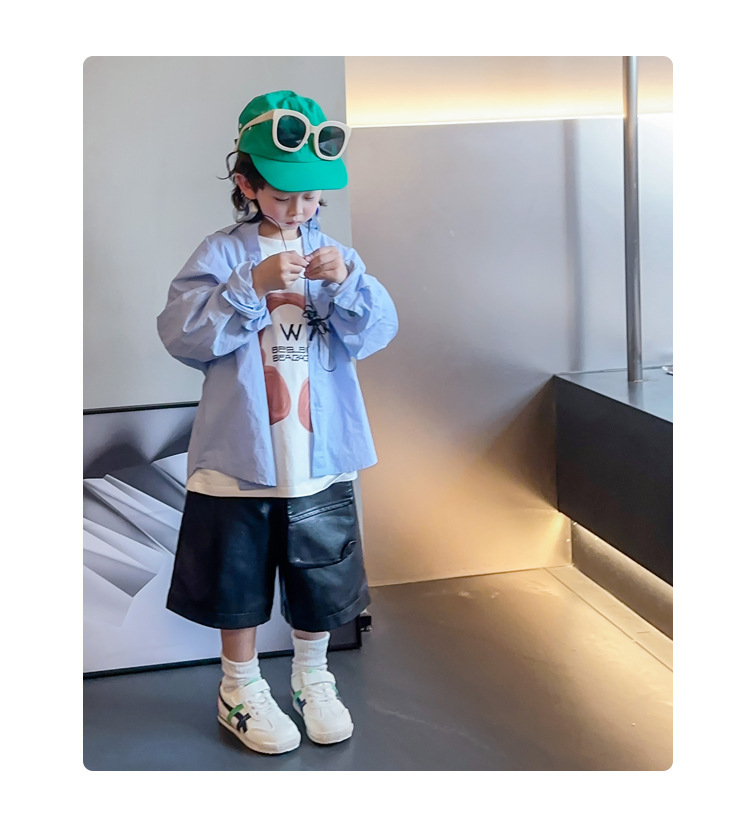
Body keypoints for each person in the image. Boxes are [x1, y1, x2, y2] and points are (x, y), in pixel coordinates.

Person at [157, 90, 398, 755]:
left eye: (312, 197)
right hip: (241, 457)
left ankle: (312, 677)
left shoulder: (337, 253)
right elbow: (182, 336)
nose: (299, 210)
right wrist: (249, 285)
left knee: (320, 573)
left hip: (318, 453)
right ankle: (239, 688)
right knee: (236, 578)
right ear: (247, 186)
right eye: (285, 196)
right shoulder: (220, 253)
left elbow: (375, 333)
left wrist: (348, 283)